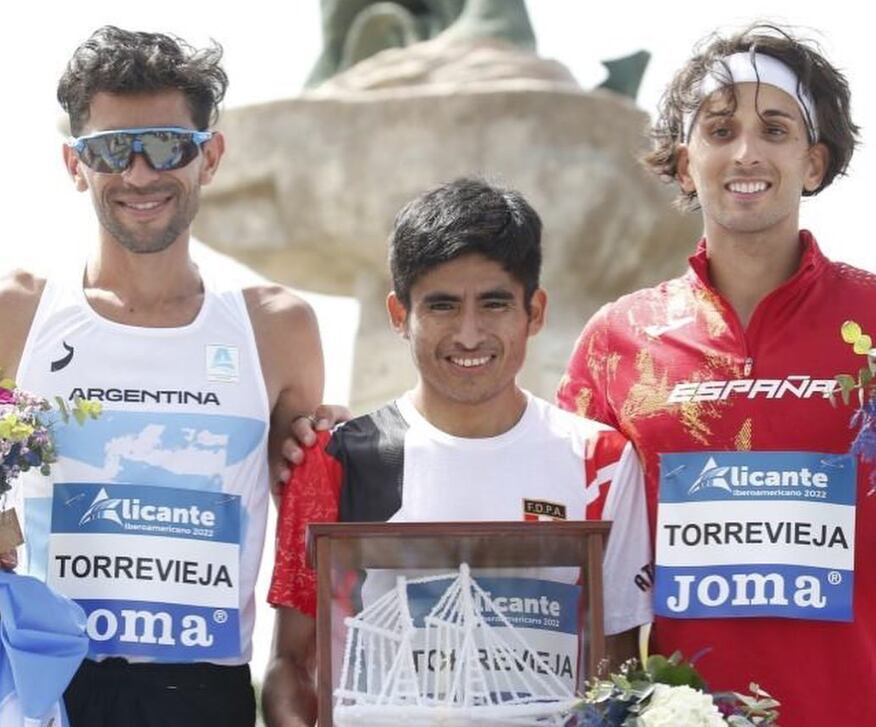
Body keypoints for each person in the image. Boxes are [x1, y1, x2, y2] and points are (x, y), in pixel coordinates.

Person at [0, 26, 325, 727]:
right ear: (73, 163)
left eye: (167, 146)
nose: (141, 173)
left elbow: (310, 511)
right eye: (113, 149)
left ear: (210, 155)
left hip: (205, 698)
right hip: (44, 690)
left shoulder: (276, 327)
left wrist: (320, 445)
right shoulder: (18, 311)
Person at [557, 23, 874, 726]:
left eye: (775, 128)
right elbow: (549, 517)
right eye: (721, 129)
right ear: (682, 163)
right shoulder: (618, 339)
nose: (747, 152)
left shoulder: (872, 317)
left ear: (814, 163)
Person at [263, 178, 653, 726]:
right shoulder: (333, 458)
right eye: (442, 307)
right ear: (399, 316)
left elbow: (617, 666)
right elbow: (290, 663)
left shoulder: (603, 460)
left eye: (494, 304)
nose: (469, 335)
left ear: (534, 312)